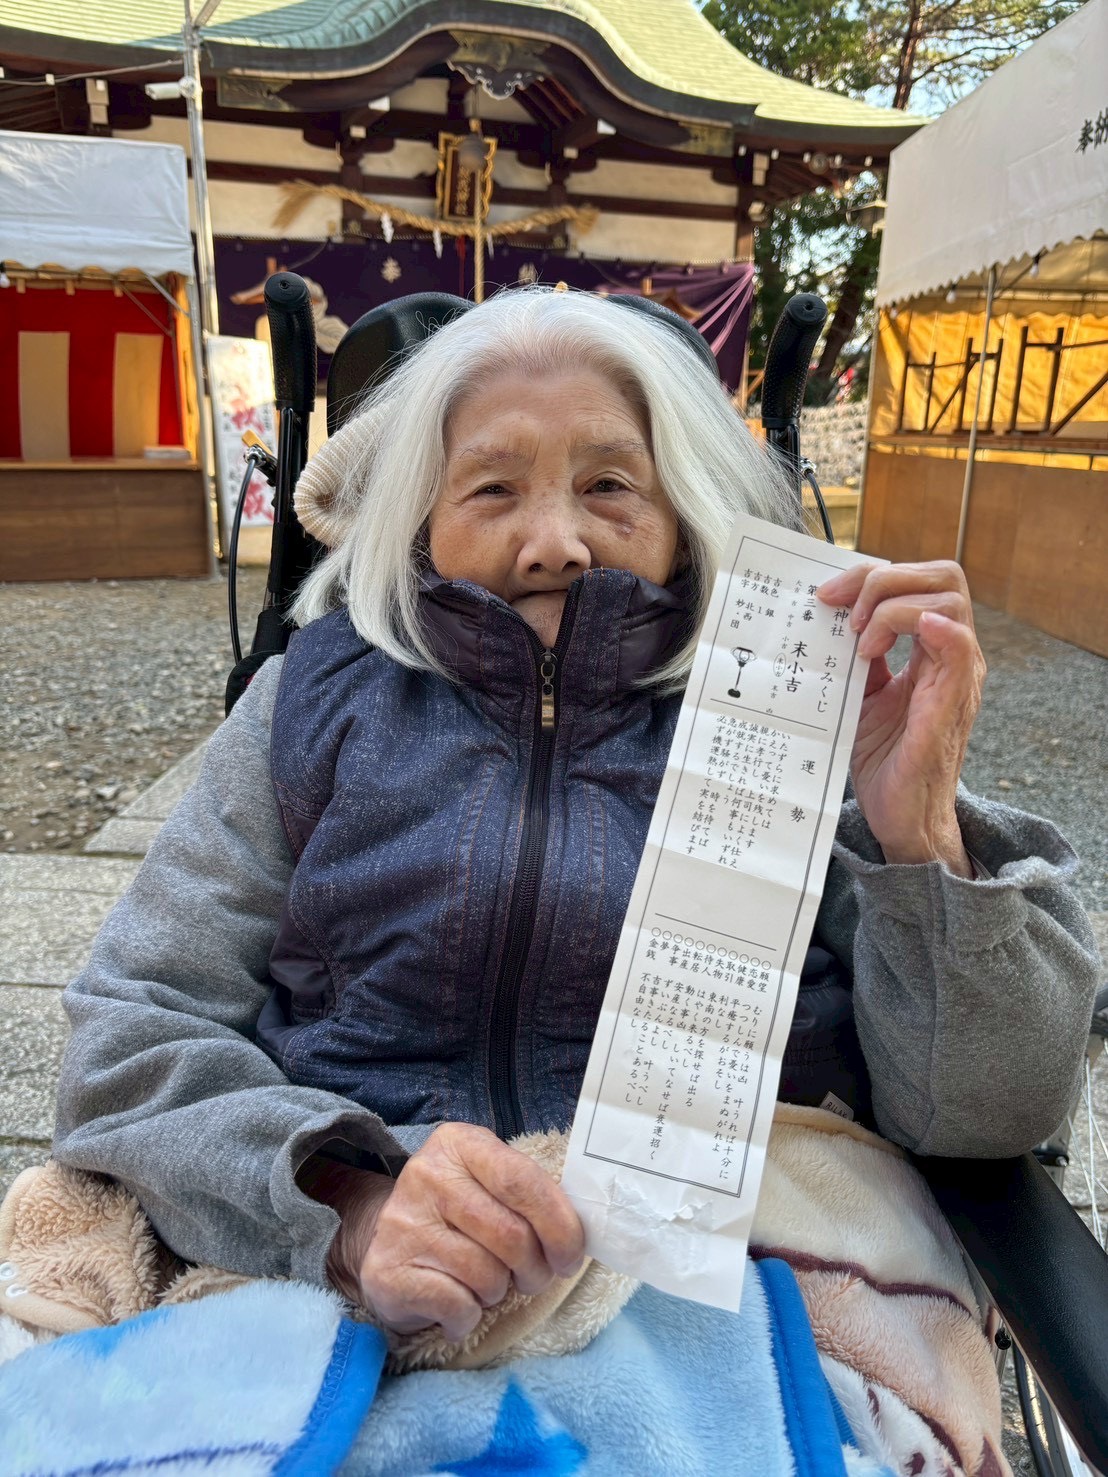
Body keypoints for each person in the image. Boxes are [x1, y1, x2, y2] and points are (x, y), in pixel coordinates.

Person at [53, 287, 1098, 1356]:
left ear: (682, 513)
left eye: (609, 486)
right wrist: (342, 1201)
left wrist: (919, 835)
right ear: (422, 515)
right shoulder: (304, 704)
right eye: (492, 488)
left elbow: (988, 1115)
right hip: (354, 1263)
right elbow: (131, 1033)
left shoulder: (795, 712)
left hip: (732, 1275)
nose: (553, 542)